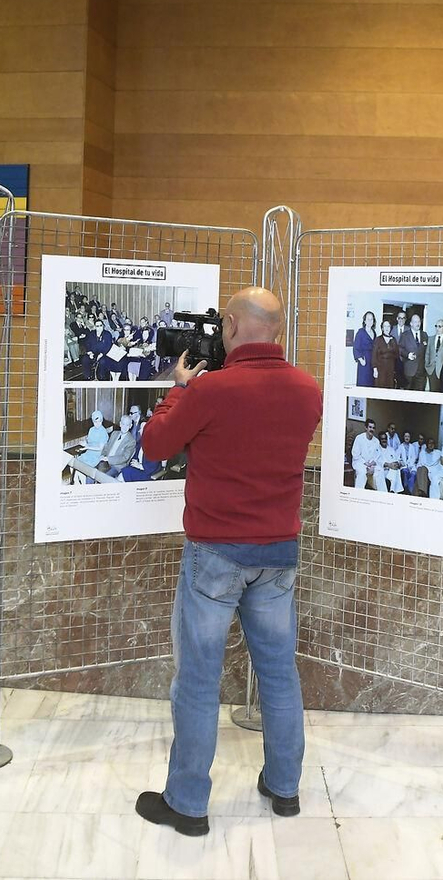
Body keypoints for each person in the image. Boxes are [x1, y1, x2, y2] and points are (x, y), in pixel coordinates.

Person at [134, 286, 321, 838]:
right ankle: (284, 788)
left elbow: (155, 445)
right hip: (279, 554)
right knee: (279, 676)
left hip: (215, 553)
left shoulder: (209, 390)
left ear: (232, 326)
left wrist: (178, 390)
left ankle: (188, 803)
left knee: (197, 679)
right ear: (278, 331)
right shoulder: (308, 390)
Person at [349, 419, 381, 490]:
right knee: (362, 472)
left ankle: (381, 495)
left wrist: (372, 465)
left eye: (373, 428)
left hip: (372, 464)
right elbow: (355, 454)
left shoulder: (376, 441)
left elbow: (377, 455)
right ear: (366, 428)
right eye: (370, 427)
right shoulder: (359, 438)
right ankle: (358, 494)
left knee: (379, 472)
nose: (371, 429)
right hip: (360, 463)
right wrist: (365, 463)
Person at [398, 312, 427, 391]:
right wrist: (407, 355)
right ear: (411, 323)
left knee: (419, 396)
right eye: (415, 322)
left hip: (421, 372)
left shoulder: (424, 335)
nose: (417, 324)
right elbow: (400, 349)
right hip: (409, 371)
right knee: (408, 396)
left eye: (419, 322)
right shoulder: (405, 335)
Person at [372, 318, 399, 389]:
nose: (387, 328)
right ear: (382, 328)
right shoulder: (378, 339)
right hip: (380, 368)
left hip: (390, 369)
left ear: (390, 328)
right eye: (385, 326)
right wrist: (375, 369)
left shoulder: (393, 339)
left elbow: (397, 355)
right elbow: (374, 355)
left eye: (388, 326)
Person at [352, 311, 376, 388]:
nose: (370, 321)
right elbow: (356, 347)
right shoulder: (360, 332)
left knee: (371, 382)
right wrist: (361, 359)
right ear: (364, 321)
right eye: (368, 319)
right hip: (364, 361)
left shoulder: (374, 332)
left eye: (371, 319)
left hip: (372, 361)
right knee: (363, 381)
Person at [426, 318, 443, 392]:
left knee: (442, 391)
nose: (437, 328)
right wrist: (427, 365)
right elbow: (427, 353)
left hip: (442, 371)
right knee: (432, 391)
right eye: (436, 326)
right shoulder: (430, 339)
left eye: (440, 326)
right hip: (431, 370)